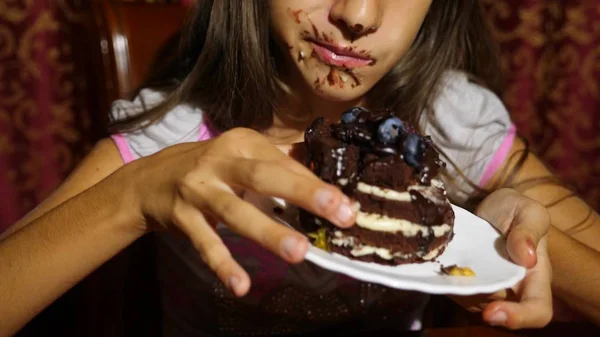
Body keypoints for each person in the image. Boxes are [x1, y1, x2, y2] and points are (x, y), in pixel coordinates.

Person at [1, 0, 599, 336]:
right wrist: (133, 196)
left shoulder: (448, 120)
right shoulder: (182, 133)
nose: (359, 13)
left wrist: (494, 236)